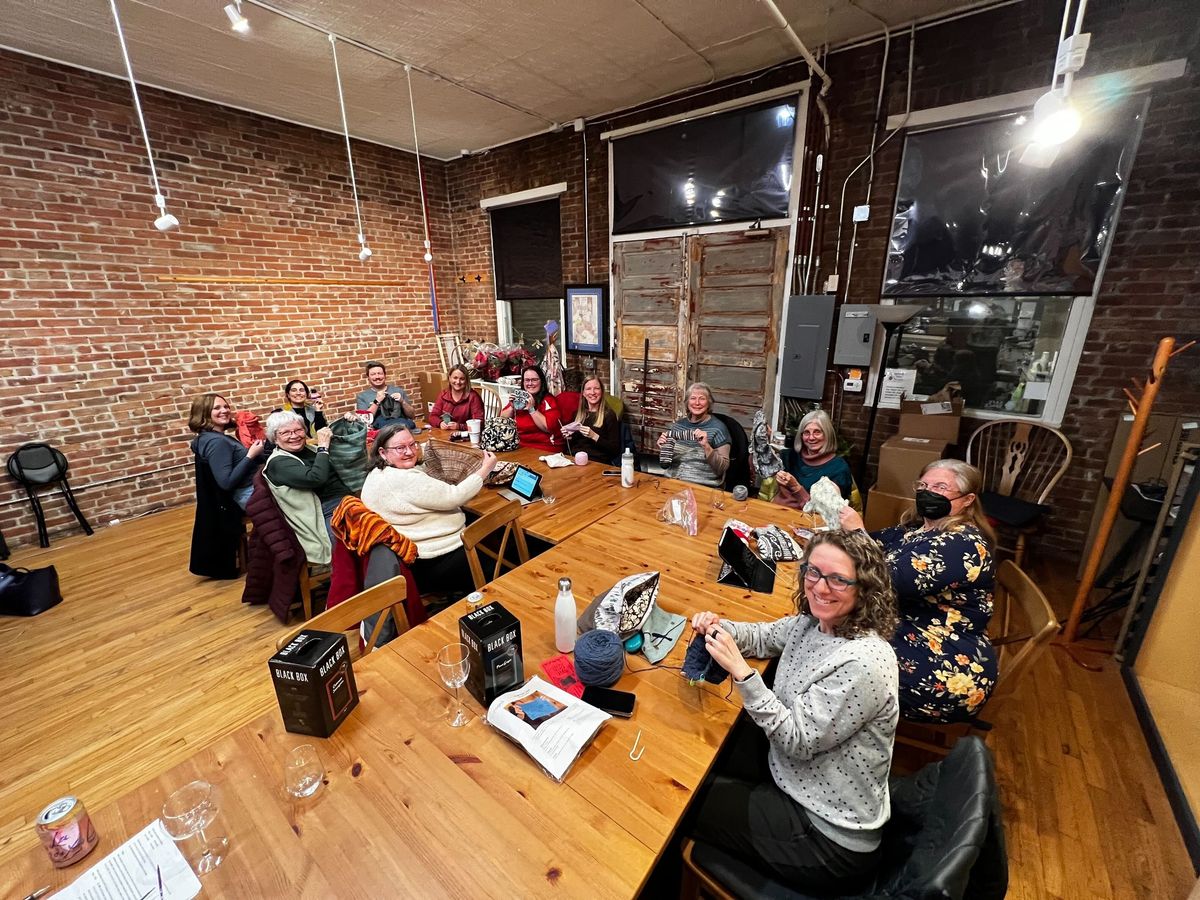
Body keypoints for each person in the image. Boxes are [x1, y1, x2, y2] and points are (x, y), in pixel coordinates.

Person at [687, 529, 899, 892]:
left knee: (683, 802)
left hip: (826, 837)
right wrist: (719, 628)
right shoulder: (815, 622)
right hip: (793, 778)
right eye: (813, 572)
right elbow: (763, 638)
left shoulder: (864, 662)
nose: (819, 587)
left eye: (838, 579)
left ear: (864, 589)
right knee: (692, 760)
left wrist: (742, 673)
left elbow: (797, 740)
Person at [840, 458, 997, 723]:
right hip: (913, 626)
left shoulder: (962, 543)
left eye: (940, 487)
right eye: (923, 484)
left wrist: (856, 532)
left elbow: (883, 580)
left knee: (834, 650)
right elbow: (875, 543)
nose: (928, 492)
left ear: (967, 499)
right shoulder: (919, 528)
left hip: (945, 668)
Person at [360, 424, 499, 597]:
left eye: (412, 445)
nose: (410, 452)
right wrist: (486, 468)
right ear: (382, 453)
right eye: (400, 448)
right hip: (434, 561)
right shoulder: (404, 480)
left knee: (480, 524)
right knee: (500, 553)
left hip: (410, 556)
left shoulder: (376, 474)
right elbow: (454, 496)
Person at [187, 393, 266, 579]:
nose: (224, 410)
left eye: (225, 406)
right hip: (246, 494)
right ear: (204, 413)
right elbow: (226, 482)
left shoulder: (211, 437)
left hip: (248, 490)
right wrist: (250, 455)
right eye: (217, 408)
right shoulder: (216, 442)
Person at [262, 410, 353, 566]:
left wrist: (350, 424)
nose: (294, 436)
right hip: (321, 512)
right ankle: (350, 584)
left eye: (298, 430)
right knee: (354, 542)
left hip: (345, 501)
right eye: (286, 433)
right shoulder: (278, 463)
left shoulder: (309, 450)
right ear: (275, 438)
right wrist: (323, 447)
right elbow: (316, 478)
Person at [774, 409, 852, 509]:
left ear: (827, 434)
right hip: (776, 512)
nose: (811, 437)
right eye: (806, 433)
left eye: (817, 432)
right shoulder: (789, 456)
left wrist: (796, 488)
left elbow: (828, 512)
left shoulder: (838, 468)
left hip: (808, 520)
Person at [656, 382, 730, 488]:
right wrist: (664, 449)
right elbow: (666, 464)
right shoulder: (677, 426)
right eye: (693, 398)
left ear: (709, 403)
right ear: (687, 402)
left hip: (703, 486)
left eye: (702, 399)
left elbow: (722, 469)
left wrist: (706, 446)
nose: (697, 403)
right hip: (672, 482)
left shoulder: (718, 429)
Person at [501, 365, 562, 452]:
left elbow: (548, 428)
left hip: (543, 447)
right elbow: (502, 419)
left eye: (534, 380)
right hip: (519, 445)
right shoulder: (520, 398)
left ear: (541, 381)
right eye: (527, 380)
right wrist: (511, 406)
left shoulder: (548, 400)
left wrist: (532, 409)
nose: (530, 383)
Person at [563, 376, 620, 462]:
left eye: (596, 388)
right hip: (574, 459)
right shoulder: (577, 414)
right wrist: (568, 437)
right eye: (588, 389)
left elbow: (615, 450)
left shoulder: (609, 415)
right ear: (583, 393)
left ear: (602, 392)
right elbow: (571, 446)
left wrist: (594, 436)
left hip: (596, 462)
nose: (592, 392)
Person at [355, 360, 417, 429]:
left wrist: (403, 402)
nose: (377, 377)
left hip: (403, 428)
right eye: (373, 374)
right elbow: (364, 421)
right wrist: (377, 401)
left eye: (380, 373)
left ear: (385, 375)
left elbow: (412, 415)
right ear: (368, 378)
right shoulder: (362, 396)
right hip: (380, 433)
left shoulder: (398, 391)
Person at [429, 364, 484, 431]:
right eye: (455, 378)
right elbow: (432, 417)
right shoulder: (443, 395)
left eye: (462, 379)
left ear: (466, 380)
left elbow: (479, 424)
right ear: (449, 378)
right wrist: (440, 423)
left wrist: (459, 426)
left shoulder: (473, 397)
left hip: (466, 436)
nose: (458, 382)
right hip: (446, 434)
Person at [277, 379, 328, 443]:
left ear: (306, 394)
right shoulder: (281, 413)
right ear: (288, 395)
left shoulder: (314, 410)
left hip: (318, 446)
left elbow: (322, 432)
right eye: (294, 390)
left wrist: (318, 410)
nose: (298, 393)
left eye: (302, 390)